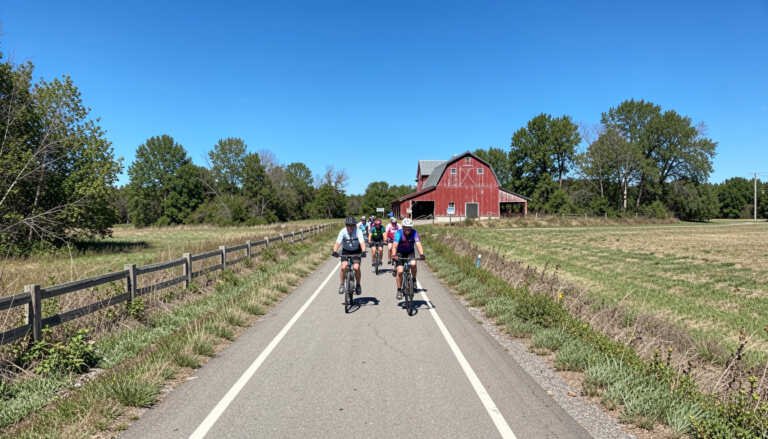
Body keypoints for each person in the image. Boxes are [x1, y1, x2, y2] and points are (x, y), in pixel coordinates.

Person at [391, 218, 425, 299]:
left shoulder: (414, 233)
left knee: (413, 264)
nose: (407, 229)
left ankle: (413, 280)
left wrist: (421, 254)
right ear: (403, 227)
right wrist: (394, 255)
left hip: (410, 252)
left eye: (409, 227)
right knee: (400, 271)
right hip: (400, 253)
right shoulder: (398, 233)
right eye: (406, 227)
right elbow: (394, 245)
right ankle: (399, 290)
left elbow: (418, 244)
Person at [332, 216, 367, 295]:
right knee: (343, 267)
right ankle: (341, 285)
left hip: (356, 251)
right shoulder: (342, 231)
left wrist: (364, 251)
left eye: (352, 225)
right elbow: (338, 242)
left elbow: (362, 242)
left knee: (356, 267)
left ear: (355, 225)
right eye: (348, 225)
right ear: (346, 225)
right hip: (346, 251)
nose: (350, 227)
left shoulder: (358, 231)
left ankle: (358, 285)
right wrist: (334, 251)